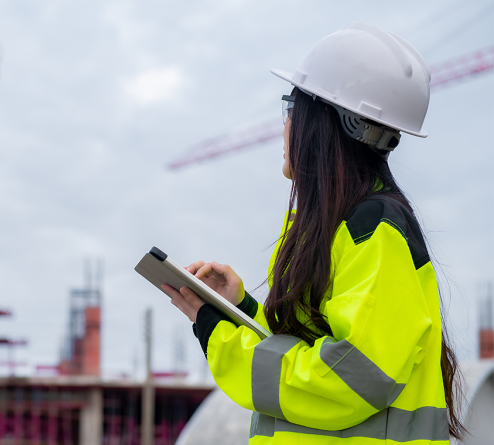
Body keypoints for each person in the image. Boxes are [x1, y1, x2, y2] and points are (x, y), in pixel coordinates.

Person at [163, 22, 464, 444]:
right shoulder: (340, 230)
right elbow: (306, 348)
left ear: (324, 124)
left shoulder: (373, 233)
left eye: (292, 109)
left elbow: (349, 379)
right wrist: (241, 311)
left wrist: (222, 338)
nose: (286, 126)